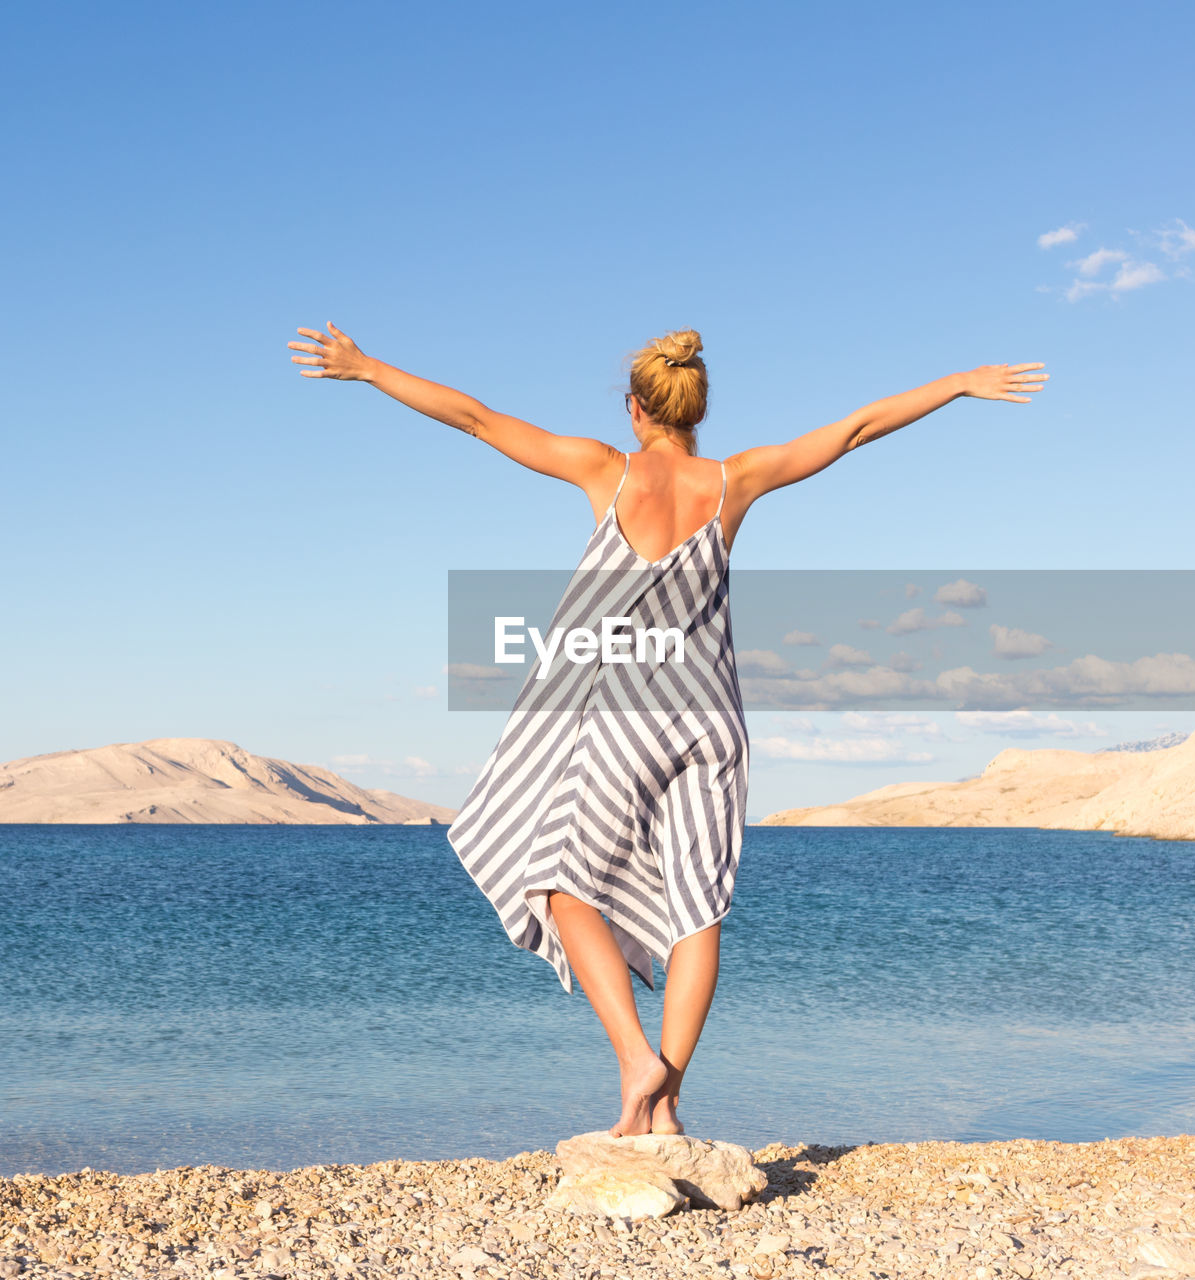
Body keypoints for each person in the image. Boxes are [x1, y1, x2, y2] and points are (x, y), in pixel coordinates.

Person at [287, 321, 1049, 1137]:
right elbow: (856, 428)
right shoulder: (736, 481)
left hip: (618, 717)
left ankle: (635, 1064)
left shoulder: (604, 472)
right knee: (698, 911)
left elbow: (475, 419)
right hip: (710, 719)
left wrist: (367, 369)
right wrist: (960, 382)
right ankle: (670, 1106)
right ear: (697, 409)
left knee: (557, 881)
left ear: (635, 408)